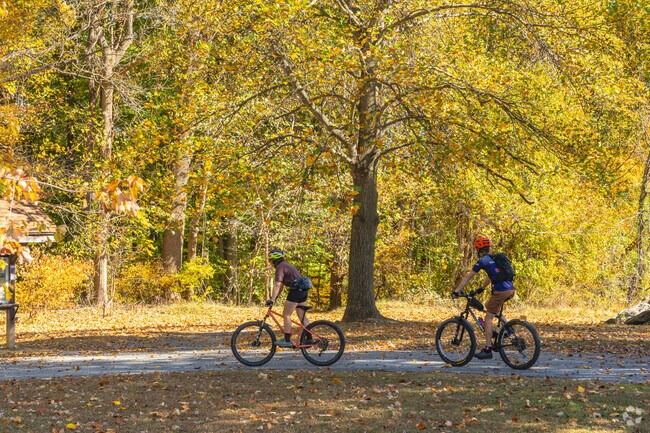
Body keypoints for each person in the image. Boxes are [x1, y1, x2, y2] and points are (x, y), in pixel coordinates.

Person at [452, 237, 515, 360]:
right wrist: (482, 288)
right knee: (488, 305)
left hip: (500, 291)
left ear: (478, 250)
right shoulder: (494, 258)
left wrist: (456, 291)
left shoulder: (482, 261)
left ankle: (488, 349)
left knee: (488, 318)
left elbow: (468, 277)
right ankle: (508, 328)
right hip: (510, 289)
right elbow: (492, 276)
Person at [266, 248, 310, 348]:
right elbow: (281, 286)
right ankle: (310, 338)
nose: (271, 262)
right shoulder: (285, 265)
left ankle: (287, 340)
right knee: (302, 317)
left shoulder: (280, 267)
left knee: (286, 314)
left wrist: (272, 300)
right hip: (303, 290)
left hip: (296, 290)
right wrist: (275, 297)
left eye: (271, 260)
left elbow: (277, 284)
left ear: (274, 259)